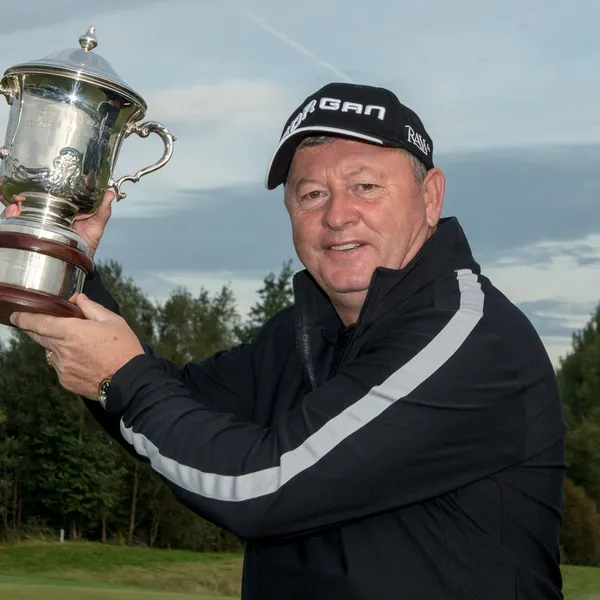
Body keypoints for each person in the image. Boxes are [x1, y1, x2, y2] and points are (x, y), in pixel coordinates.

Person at [4, 82, 566, 600]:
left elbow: (259, 485)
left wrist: (120, 378)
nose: (338, 215)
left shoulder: (466, 335)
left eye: (366, 187)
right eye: (312, 193)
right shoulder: (301, 334)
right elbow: (173, 415)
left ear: (430, 196)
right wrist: (63, 259)